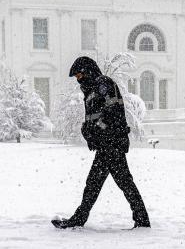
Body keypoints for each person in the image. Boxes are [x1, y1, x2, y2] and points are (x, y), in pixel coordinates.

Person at [52, 56, 151, 229]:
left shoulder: (103, 84)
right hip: (106, 144)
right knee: (106, 183)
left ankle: (80, 219)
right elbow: (93, 117)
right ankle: (141, 220)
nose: (78, 79)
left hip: (112, 143)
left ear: (88, 71)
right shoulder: (90, 90)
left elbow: (113, 112)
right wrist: (87, 130)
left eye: (79, 75)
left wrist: (98, 130)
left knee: (105, 183)